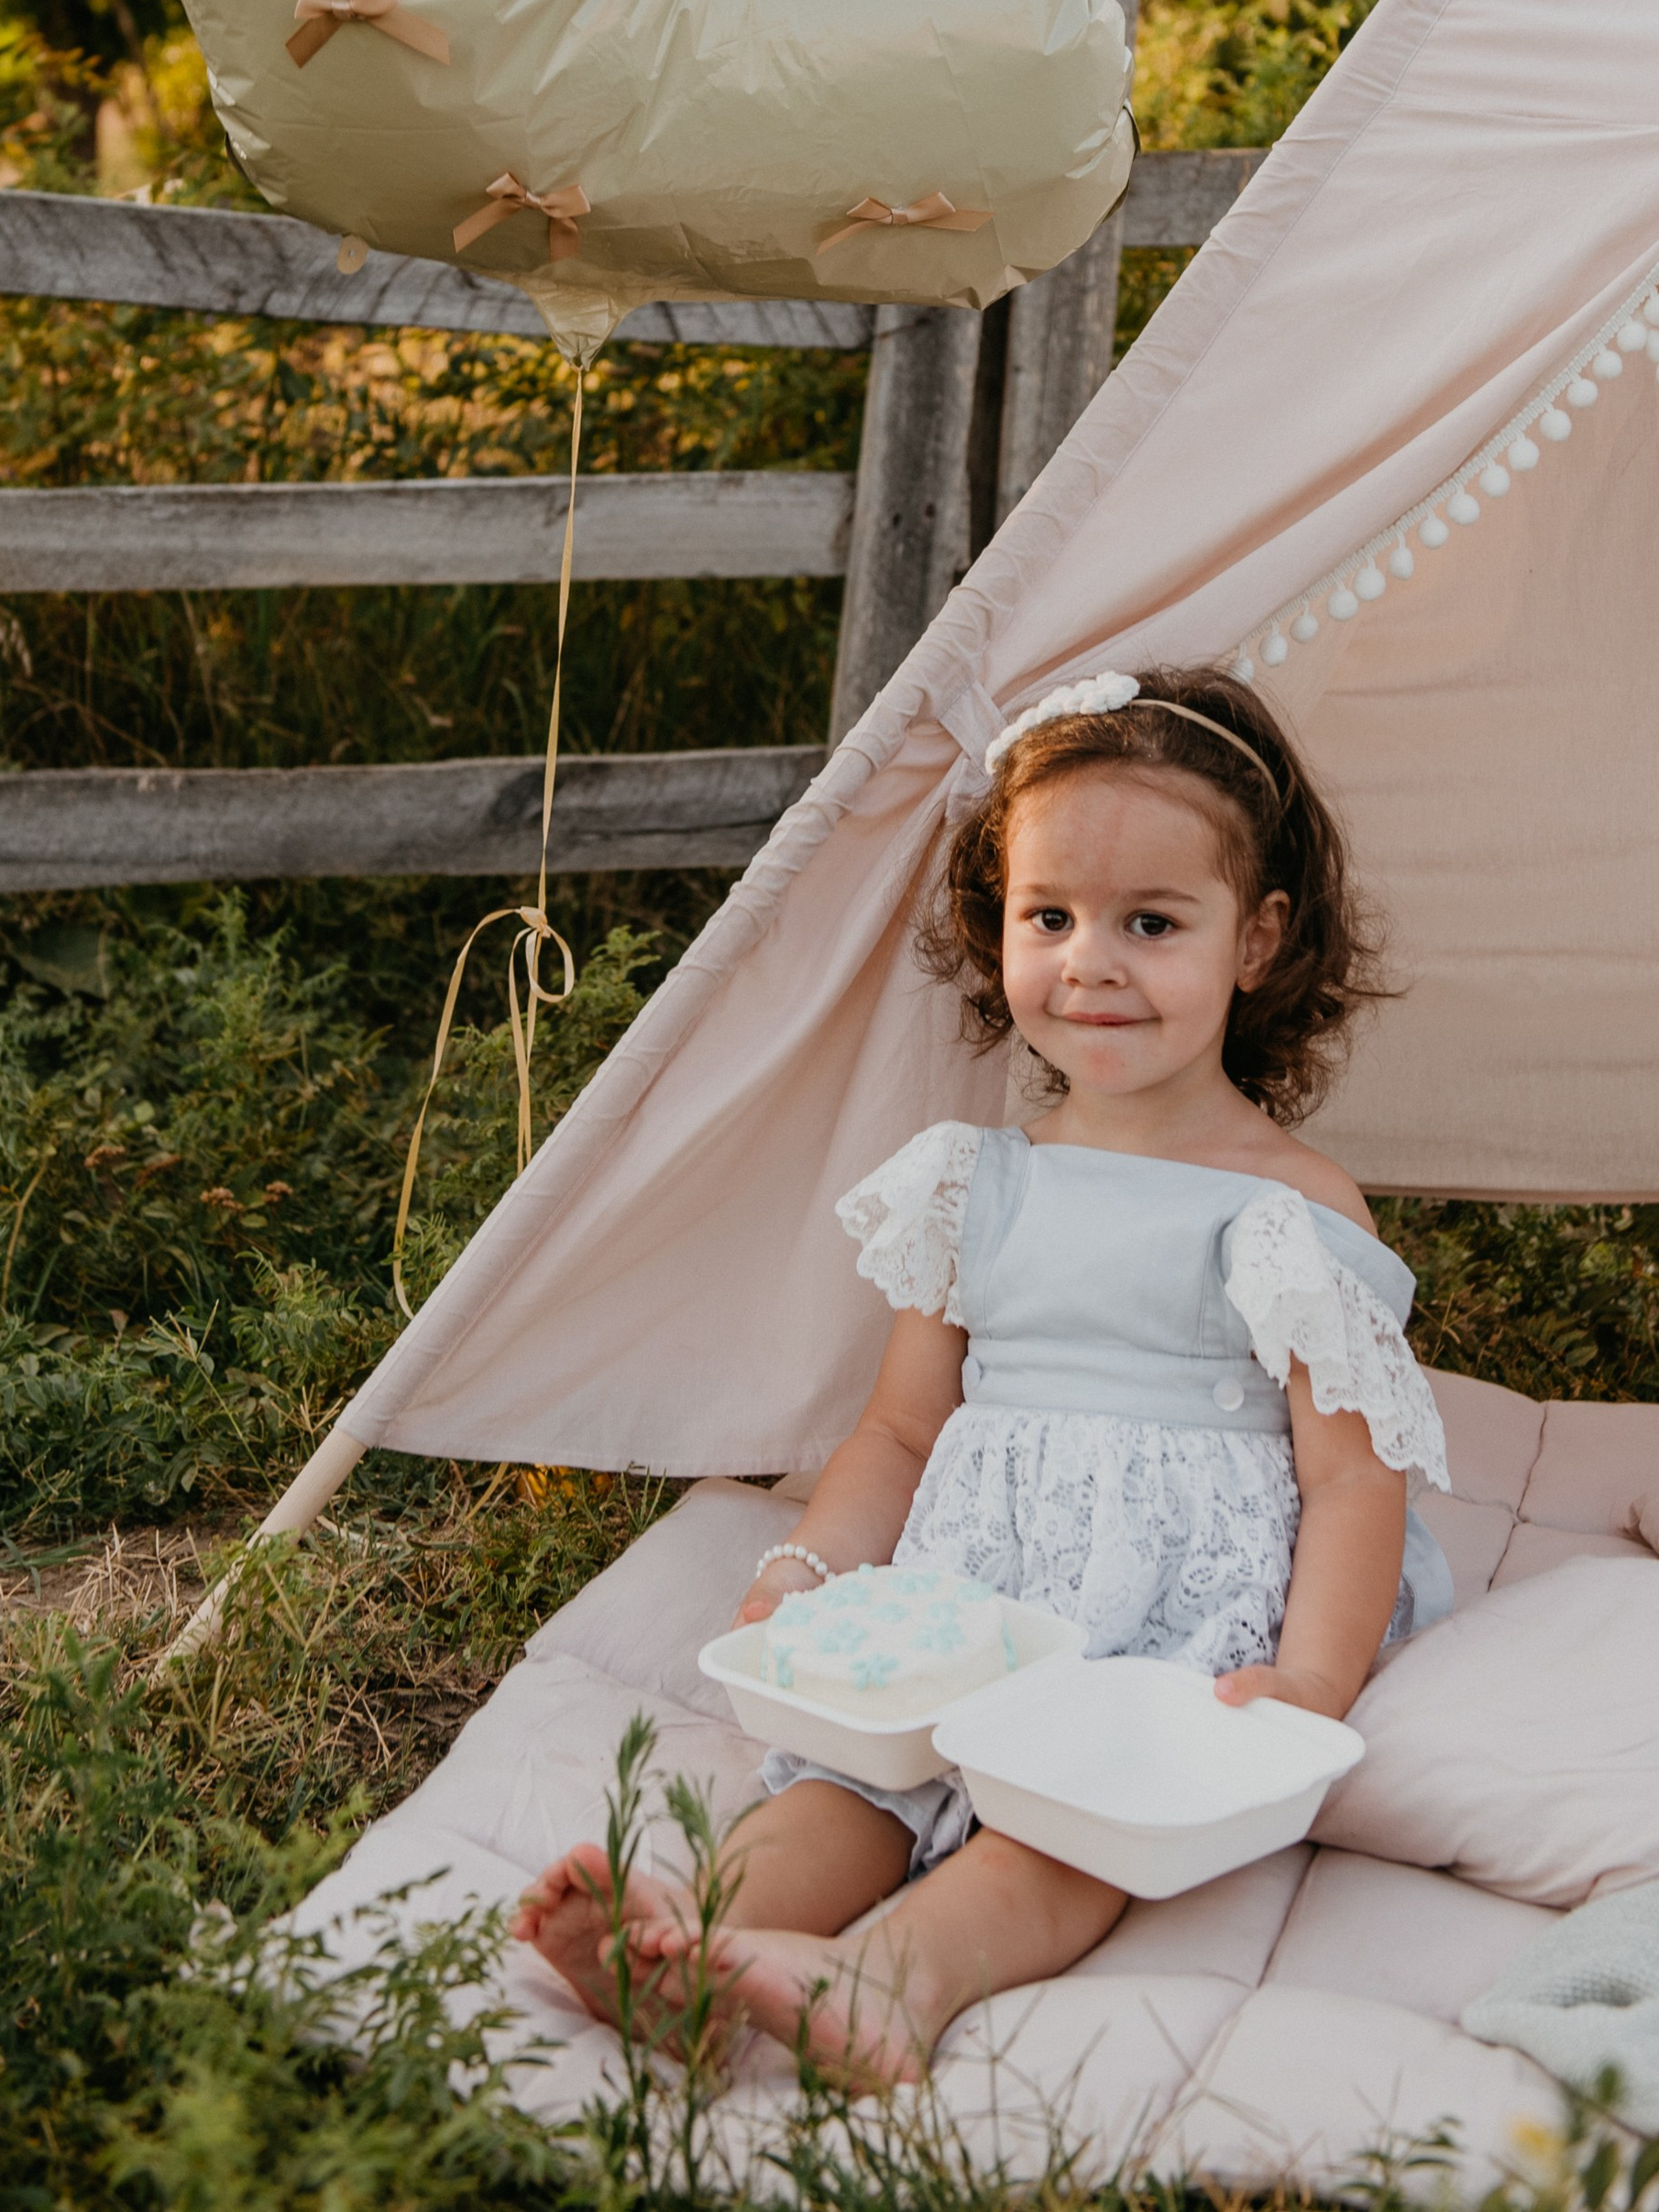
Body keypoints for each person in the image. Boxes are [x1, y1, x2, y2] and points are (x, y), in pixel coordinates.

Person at [515, 665, 1451, 2086]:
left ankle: (895, 1979)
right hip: (982, 1575)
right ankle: (699, 1938)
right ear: (999, 924)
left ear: (1256, 941)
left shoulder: (1287, 1207)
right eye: (1050, 918)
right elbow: (900, 1430)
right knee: (861, 1770)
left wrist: (1309, 1681)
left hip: (1173, 1599)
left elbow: (1349, 1472)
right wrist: (819, 1567)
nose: (1092, 962)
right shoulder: (976, 1185)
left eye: (1151, 923)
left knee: (1080, 1808)